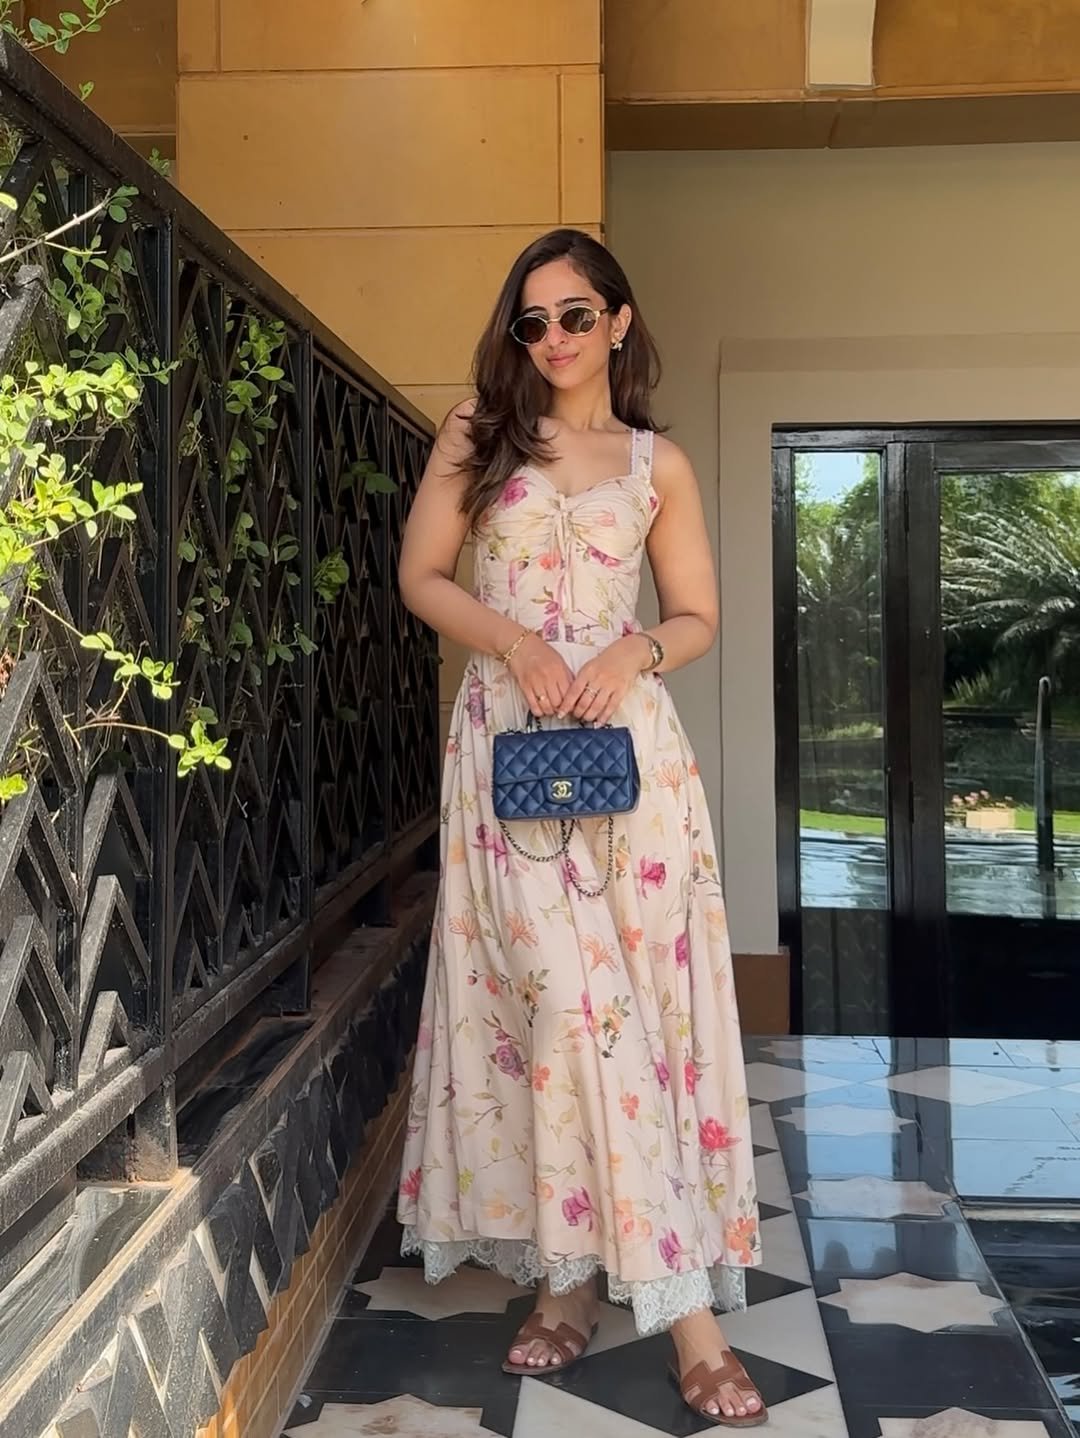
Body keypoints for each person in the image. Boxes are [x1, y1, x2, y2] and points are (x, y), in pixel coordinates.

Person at [396, 229, 764, 1427]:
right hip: (506, 751)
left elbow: (696, 613)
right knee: (558, 1004)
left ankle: (594, 1288)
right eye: (532, 321)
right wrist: (517, 642)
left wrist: (631, 649)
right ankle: (623, 1295)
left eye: (573, 315)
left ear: (618, 321)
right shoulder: (478, 434)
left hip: (628, 764)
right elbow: (422, 576)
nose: (552, 338)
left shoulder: (660, 463)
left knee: (630, 1012)